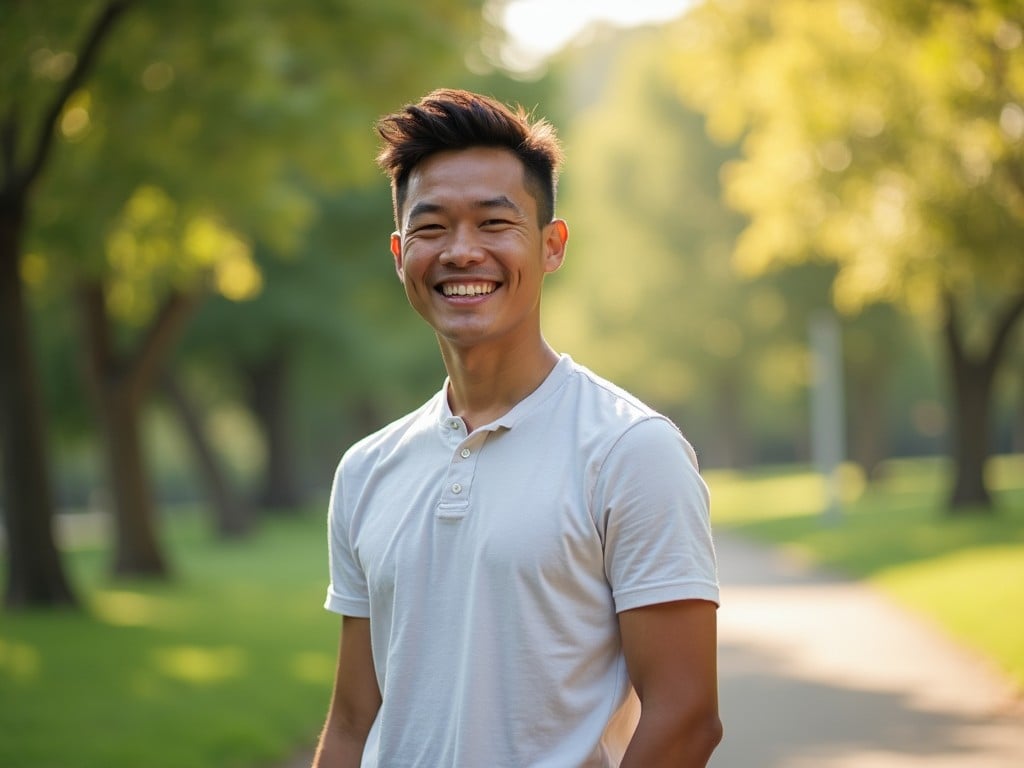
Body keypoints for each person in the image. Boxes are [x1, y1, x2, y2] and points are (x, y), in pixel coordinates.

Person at [312, 88, 722, 768]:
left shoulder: (630, 450)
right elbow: (355, 719)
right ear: (398, 253)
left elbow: (685, 718)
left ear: (551, 245)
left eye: (494, 224)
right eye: (432, 227)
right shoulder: (366, 469)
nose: (461, 252)